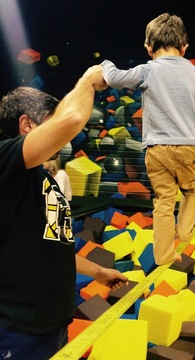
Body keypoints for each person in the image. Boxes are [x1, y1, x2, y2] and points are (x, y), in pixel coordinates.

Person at [0, 67, 129, 360]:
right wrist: (86, 82)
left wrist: (97, 271)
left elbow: (49, 245)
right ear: (27, 125)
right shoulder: (5, 160)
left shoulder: (42, 178)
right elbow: (72, 119)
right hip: (18, 331)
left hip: (54, 323)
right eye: (50, 121)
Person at [100, 12, 195, 265]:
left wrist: (105, 64)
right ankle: (185, 232)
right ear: (184, 47)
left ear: (148, 47)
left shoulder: (148, 70)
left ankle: (164, 255)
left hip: (157, 149)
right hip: (191, 147)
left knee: (164, 201)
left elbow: (113, 78)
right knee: (191, 191)